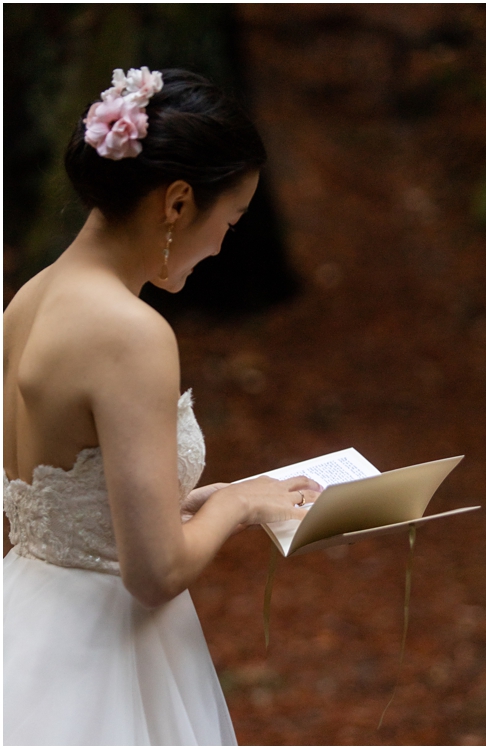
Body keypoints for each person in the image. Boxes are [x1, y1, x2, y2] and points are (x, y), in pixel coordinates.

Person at [3, 67, 322, 745]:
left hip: (25, 621)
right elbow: (155, 573)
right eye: (229, 220)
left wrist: (200, 499)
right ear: (178, 203)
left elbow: (58, 499)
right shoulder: (130, 332)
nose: (223, 244)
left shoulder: (27, 300)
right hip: (105, 655)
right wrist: (240, 504)